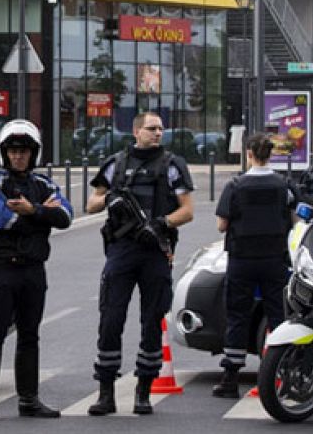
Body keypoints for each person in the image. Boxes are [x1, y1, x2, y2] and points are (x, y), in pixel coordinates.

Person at [85, 111, 195, 416]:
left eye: (161, 128)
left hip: (156, 250)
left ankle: (143, 392)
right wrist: (111, 200)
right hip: (121, 251)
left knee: (151, 322)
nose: (158, 133)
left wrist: (160, 223)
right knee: (110, 319)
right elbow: (91, 202)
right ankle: (105, 392)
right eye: (151, 128)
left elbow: (187, 211)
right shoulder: (116, 164)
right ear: (136, 132)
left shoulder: (173, 165)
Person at [0, 119, 73, 422]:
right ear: (5, 153)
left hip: (33, 270)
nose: (19, 156)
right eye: (14, 150)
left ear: (34, 153)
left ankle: (29, 400)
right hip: (1, 270)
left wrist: (33, 211)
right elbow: (1, 219)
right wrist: (43, 215)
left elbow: (66, 215)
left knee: (30, 336)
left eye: (25, 151)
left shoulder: (44, 184)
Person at [210, 134, 295, 398]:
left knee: (238, 317)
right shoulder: (284, 185)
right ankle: (283, 373)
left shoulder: (235, 186)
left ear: (248, 154)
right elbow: (294, 219)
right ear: (271, 154)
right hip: (274, 259)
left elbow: (222, 224)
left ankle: (230, 378)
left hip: (242, 259)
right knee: (279, 316)